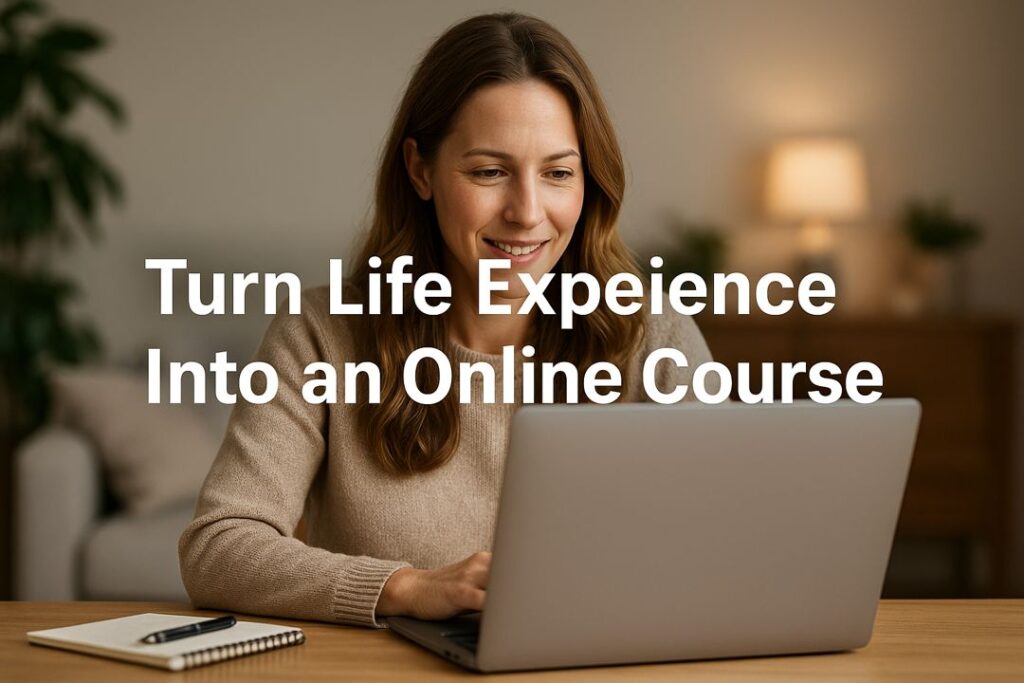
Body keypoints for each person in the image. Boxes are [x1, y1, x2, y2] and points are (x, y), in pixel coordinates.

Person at [178, 11, 714, 628]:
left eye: (559, 173)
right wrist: (404, 588)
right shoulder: (323, 333)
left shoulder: (654, 336)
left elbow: (726, 544)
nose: (527, 212)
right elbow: (218, 548)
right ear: (420, 170)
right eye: (489, 172)